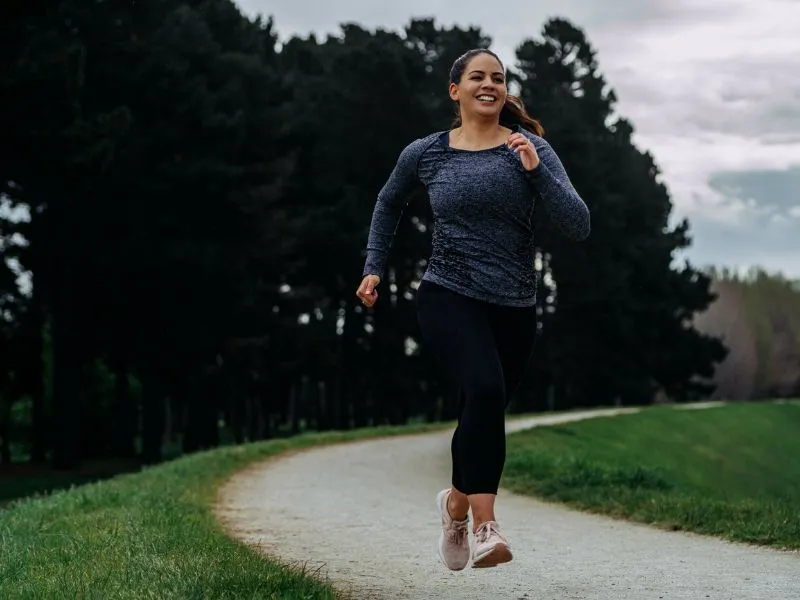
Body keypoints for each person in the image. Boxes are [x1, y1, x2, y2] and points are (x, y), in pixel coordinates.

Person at [355, 48, 590, 570]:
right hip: (447, 292)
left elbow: (579, 224)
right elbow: (388, 201)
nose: (490, 84)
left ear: (505, 91)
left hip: (514, 304)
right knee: (483, 390)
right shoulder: (426, 153)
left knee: (483, 412)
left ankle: (455, 506)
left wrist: (536, 171)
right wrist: (374, 265)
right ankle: (485, 526)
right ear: (455, 90)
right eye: (478, 77)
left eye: (499, 78)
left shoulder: (529, 149)